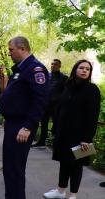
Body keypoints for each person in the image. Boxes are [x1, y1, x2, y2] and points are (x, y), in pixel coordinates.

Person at [0, 36, 49, 199]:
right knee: (9, 167)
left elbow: (40, 100)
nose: (9, 54)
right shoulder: (21, 69)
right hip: (14, 124)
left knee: (15, 169)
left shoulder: (35, 69)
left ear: (22, 48)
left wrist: (28, 126)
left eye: (11, 50)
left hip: (22, 126)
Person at [43, 60, 101, 199]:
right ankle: (60, 191)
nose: (84, 70)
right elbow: (60, 108)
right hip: (64, 134)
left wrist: (87, 138)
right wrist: (55, 128)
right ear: (75, 69)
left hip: (80, 136)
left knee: (76, 165)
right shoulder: (67, 86)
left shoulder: (92, 90)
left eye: (87, 69)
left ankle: (73, 195)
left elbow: (93, 116)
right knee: (64, 162)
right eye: (81, 67)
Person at [32, 59, 68, 147]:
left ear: (59, 66)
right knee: (44, 124)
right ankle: (41, 142)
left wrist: (60, 102)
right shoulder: (47, 75)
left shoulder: (64, 77)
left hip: (56, 106)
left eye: (55, 64)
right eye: (52, 64)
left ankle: (56, 144)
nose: (53, 66)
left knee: (56, 125)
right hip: (45, 104)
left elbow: (66, 92)